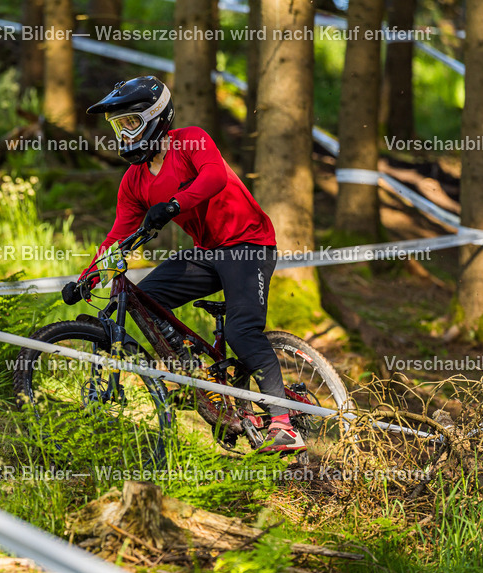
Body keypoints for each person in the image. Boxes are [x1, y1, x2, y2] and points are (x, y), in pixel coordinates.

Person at [60, 75, 305, 455]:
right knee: (146, 299)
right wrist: (86, 280)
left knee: (243, 332)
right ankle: (196, 371)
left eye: (129, 123)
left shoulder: (189, 139)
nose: (123, 134)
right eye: (117, 126)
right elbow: (115, 238)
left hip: (248, 244)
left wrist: (173, 205)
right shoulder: (134, 180)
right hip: (207, 251)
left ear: (154, 116)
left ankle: (284, 423)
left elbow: (214, 176)